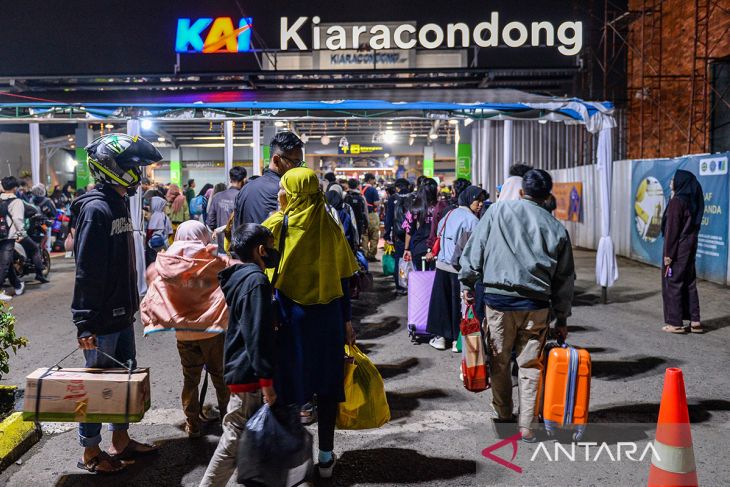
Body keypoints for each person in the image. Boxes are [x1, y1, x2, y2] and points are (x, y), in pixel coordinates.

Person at [459, 169, 574, 443]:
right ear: (547, 196)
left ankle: (503, 416)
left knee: (499, 361)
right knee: (531, 365)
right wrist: (562, 318)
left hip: (498, 303)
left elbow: (475, 250)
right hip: (536, 305)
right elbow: (565, 278)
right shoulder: (556, 227)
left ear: (522, 191)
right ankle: (527, 426)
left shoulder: (497, 212)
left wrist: (467, 284)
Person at [72, 133, 162, 473]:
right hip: (100, 317)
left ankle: (120, 440)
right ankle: (90, 452)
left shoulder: (118, 202)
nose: (136, 173)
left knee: (122, 380)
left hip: (123, 312)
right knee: (95, 387)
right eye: (129, 166)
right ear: (109, 167)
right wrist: (84, 322)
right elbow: (86, 269)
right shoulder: (96, 209)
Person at [262, 167, 358, 479]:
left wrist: (280, 210)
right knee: (327, 386)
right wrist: (346, 321)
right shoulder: (330, 224)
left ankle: (296, 457)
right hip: (329, 316)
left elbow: (244, 251)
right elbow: (344, 277)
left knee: (290, 386)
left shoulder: (278, 224)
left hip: (291, 317)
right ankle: (326, 457)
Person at [199, 223, 278, 487]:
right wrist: (266, 382)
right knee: (233, 440)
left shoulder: (240, 276)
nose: (273, 252)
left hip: (239, 366)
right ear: (259, 250)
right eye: (270, 247)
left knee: (248, 436)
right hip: (248, 373)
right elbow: (257, 335)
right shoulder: (256, 281)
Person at [141, 220, 231, 438]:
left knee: (190, 377)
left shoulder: (167, 262)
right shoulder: (212, 259)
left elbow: (151, 279)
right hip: (212, 330)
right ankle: (229, 422)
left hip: (183, 332)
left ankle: (192, 423)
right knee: (220, 376)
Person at [426, 186, 486, 351]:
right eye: (477, 200)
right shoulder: (473, 220)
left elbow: (439, 232)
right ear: (468, 199)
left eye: (482, 201)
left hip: (442, 264)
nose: (480, 204)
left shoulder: (449, 213)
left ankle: (441, 338)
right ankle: (457, 341)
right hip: (460, 268)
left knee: (443, 303)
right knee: (461, 305)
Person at [661, 170, 704, 334]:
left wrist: (668, 255)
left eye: (673, 179)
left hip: (678, 248)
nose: (671, 181)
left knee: (673, 282)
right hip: (691, 245)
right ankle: (695, 321)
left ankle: (675, 323)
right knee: (690, 282)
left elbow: (672, 231)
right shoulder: (692, 201)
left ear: (681, 182)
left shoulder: (677, 202)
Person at [234, 131, 304, 228]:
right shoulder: (286, 191)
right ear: (276, 160)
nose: (299, 168)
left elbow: (236, 229)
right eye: (296, 162)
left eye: (300, 163)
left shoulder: (244, 190)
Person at [427, 178, 471, 259]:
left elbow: (435, 228)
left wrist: (431, 248)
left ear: (454, 192)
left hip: (446, 253)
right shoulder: (472, 210)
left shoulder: (443, 206)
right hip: (467, 253)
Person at [383, 178, 412, 295]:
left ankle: (400, 286)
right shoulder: (414, 197)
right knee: (412, 260)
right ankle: (413, 285)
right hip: (412, 233)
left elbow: (389, 218)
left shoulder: (393, 198)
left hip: (398, 234)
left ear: (397, 187)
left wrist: (387, 234)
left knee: (399, 260)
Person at [0, 176, 27, 301]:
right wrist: (21, 234)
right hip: (8, 236)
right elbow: (18, 220)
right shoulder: (16, 202)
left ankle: (17, 285)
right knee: (5, 263)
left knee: (8, 262)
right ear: (15, 188)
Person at [403, 178, 438, 271]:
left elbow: (408, 230)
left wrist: (406, 249)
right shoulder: (440, 208)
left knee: (421, 278)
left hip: (419, 248)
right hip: (437, 248)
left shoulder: (414, 208)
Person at [207, 167, 246, 232]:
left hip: (221, 239)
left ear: (230, 180)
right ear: (244, 180)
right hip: (239, 239)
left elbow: (210, 222)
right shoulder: (243, 197)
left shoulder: (217, 196)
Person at [326, 185, 358, 252]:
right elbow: (353, 226)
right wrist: (355, 243)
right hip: (344, 244)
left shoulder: (323, 208)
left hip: (327, 245)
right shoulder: (346, 207)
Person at [145, 196, 173, 266]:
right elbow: (170, 232)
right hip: (164, 243)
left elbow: (150, 231)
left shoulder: (154, 216)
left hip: (153, 244)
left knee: (154, 261)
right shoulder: (165, 216)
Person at [360, 173, 380, 262]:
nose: (374, 181)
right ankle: (371, 255)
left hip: (361, 214)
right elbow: (376, 203)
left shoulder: (359, 188)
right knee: (374, 235)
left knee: (364, 235)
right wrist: (381, 201)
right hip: (371, 214)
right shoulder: (372, 189)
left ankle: (364, 254)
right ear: (370, 180)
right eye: (374, 179)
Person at [344, 178, 368, 250]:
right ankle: (355, 256)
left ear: (348, 185)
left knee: (347, 240)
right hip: (359, 222)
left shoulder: (344, 195)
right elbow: (365, 212)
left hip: (347, 221)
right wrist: (366, 224)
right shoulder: (361, 197)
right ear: (357, 185)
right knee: (357, 240)